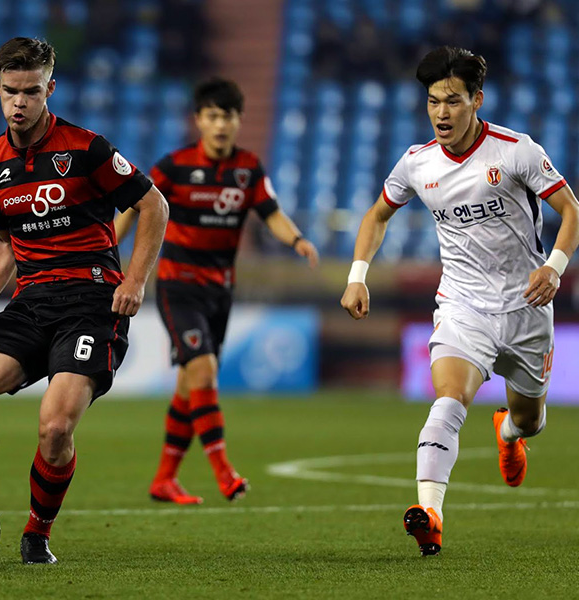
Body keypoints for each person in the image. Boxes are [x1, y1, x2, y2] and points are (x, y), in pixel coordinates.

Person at [0, 37, 168, 564]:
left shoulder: (88, 149)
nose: (20, 103)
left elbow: (154, 205)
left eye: (31, 92)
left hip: (92, 301)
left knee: (56, 427)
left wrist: (135, 279)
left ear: (49, 89)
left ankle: (36, 533)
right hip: (32, 299)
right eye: (11, 92)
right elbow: (4, 242)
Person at [340, 46, 579, 556]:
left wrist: (554, 269)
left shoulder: (516, 152)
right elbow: (376, 216)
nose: (441, 113)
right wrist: (358, 276)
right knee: (448, 400)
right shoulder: (416, 163)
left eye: (452, 101)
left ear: (477, 100)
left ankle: (510, 434)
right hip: (462, 306)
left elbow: (571, 211)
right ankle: (431, 513)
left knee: (531, 418)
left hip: (527, 307)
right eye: (432, 102)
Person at [116, 77, 319, 504]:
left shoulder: (248, 169)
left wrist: (297, 240)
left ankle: (164, 479)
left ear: (238, 120)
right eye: (212, 116)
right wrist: (103, 249)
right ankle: (224, 472)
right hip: (177, 285)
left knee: (192, 385)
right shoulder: (172, 167)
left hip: (219, 293)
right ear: (199, 120)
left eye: (227, 116)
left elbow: (271, 213)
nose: (220, 124)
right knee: (204, 371)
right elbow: (135, 207)